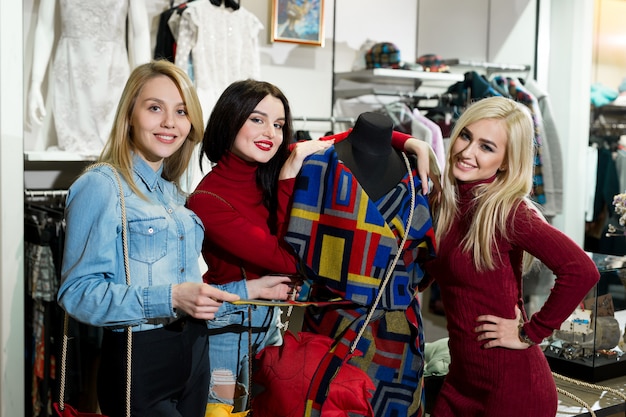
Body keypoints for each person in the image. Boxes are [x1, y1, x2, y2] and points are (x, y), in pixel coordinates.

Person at [186, 81, 435, 416]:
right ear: (230, 120)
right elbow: (290, 259)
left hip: (269, 325)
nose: (270, 133)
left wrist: (410, 141)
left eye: (278, 125)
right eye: (257, 120)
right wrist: (289, 177)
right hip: (229, 332)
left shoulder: (269, 164)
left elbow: (350, 136)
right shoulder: (208, 200)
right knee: (222, 413)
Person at [57, 60, 240, 417]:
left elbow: (189, 288)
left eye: (181, 111)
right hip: (140, 360)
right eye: (155, 108)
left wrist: (255, 289)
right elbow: (76, 294)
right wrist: (170, 297)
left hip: (194, 353)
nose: (170, 122)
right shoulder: (101, 186)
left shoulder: (173, 196)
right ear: (130, 116)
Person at [424, 96, 600, 417]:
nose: (467, 152)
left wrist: (530, 332)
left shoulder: (508, 212)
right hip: (461, 381)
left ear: (506, 161)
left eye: (486, 147)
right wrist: (415, 144)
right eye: (465, 136)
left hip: (511, 389)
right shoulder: (445, 202)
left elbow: (582, 271)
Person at [282, 111, 437, 417]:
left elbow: (429, 257)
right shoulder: (317, 166)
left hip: (398, 339)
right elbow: (294, 244)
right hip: (333, 326)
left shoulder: (418, 171)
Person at [27, 0, 151, 154]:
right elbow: (44, 27)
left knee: (113, 149)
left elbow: (141, 32)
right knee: (73, 153)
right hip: (72, 70)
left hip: (112, 73)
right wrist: (35, 83)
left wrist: (146, 86)